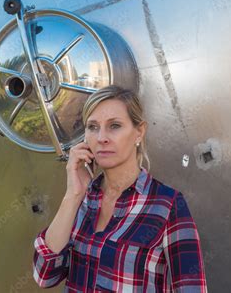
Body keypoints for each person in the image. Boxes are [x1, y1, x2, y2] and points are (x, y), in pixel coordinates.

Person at [32, 85, 208, 292]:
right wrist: (73, 195)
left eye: (114, 126)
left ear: (139, 132)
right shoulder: (82, 201)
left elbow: (191, 288)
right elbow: (44, 275)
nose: (102, 138)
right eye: (93, 127)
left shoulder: (167, 205)